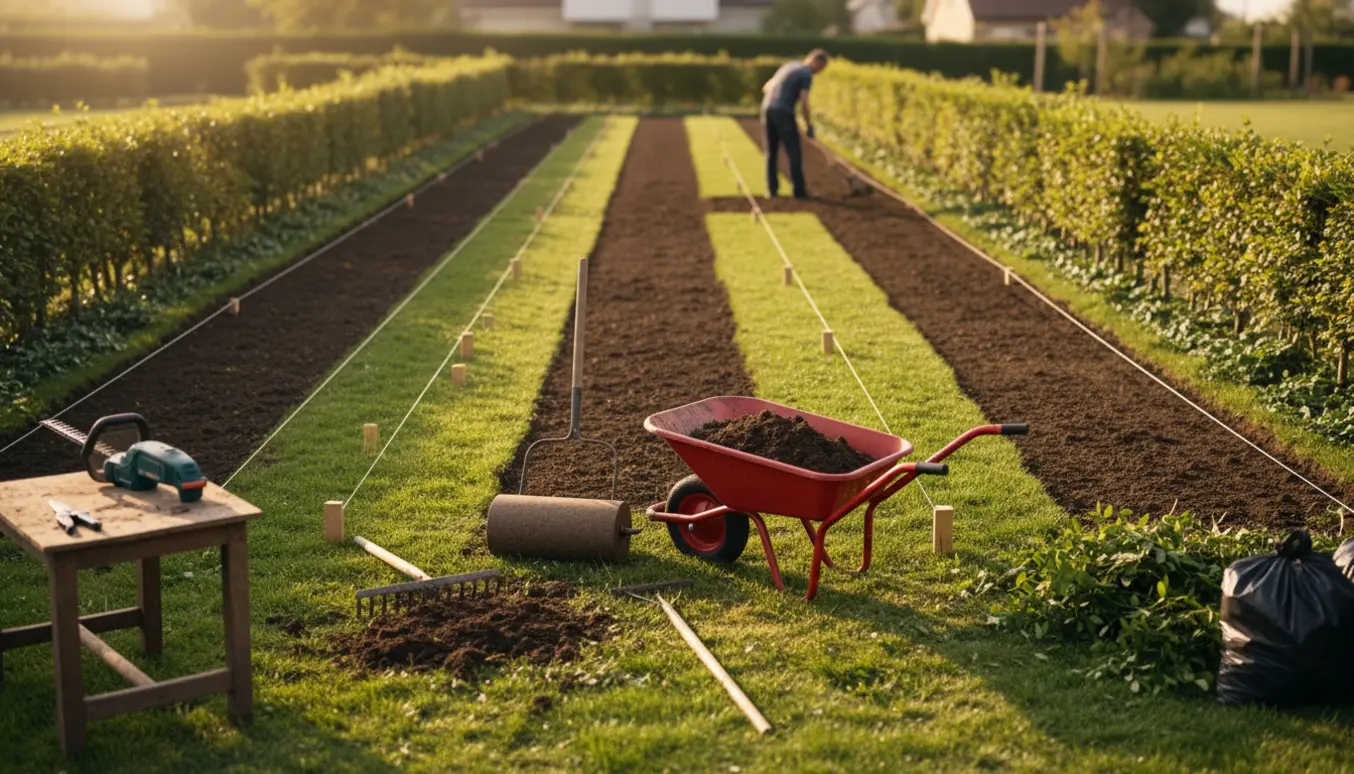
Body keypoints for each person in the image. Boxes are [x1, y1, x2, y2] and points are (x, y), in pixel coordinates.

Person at [760, 49, 829, 199]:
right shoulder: (806, 74)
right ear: (816, 62)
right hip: (783, 112)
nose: (819, 72)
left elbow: (766, 87)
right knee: (794, 152)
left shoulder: (788, 66)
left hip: (767, 109)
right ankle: (799, 191)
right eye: (821, 68)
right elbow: (804, 102)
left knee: (771, 152)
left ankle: (771, 190)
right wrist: (809, 125)